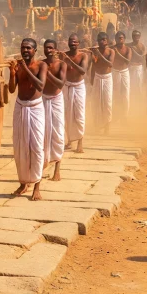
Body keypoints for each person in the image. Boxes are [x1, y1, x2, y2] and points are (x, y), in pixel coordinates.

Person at [9, 39, 48, 199]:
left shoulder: (41, 66)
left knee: (36, 147)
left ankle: (37, 186)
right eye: (23, 47)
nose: (25, 50)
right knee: (20, 147)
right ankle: (23, 182)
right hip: (20, 106)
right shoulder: (18, 67)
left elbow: (40, 86)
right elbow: (12, 89)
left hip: (35, 107)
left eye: (28, 48)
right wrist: (12, 73)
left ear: (35, 50)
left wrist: (25, 68)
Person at [40, 40, 66, 183]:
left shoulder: (61, 64)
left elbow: (60, 83)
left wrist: (47, 73)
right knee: (42, 132)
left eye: (50, 48)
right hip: (42, 99)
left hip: (56, 100)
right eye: (46, 48)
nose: (48, 50)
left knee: (57, 133)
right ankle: (43, 162)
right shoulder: (41, 63)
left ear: (55, 49)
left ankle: (57, 167)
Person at [58, 34, 89, 153]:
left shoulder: (83, 56)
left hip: (79, 87)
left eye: (75, 42)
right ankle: (69, 141)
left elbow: (83, 71)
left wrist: (69, 61)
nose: (72, 44)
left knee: (79, 115)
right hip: (67, 86)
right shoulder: (64, 55)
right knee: (67, 115)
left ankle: (80, 142)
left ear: (79, 43)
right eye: (71, 41)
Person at [89, 33, 115, 135]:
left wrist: (99, 55)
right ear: (98, 41)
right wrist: (92, 78)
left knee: (107, 102)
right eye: (100, 40)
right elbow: (93, 66)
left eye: (104, 39)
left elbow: (110, 64)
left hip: (107, 78)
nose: (102, 42)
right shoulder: (94, 52)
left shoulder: (111, 51)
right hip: (97, 77)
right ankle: (96, 125)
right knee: (96, 103)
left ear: (107, 41)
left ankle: (107, 125)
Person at [110, 31, 133, 121]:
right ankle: (116, 113)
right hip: (115, 71)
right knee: (115, 93)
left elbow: (127, 61)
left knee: (126, 93)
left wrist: (117, 53)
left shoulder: (128, 49)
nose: (120, 39)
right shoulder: (112, 49)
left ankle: (125, 115)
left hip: (124, 72)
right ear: (115, 39)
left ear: (124, 39)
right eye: (118, 38)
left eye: (121, 38)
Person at [128, 30, 147, 108]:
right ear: (132, 37)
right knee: (131, 85)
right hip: (131, 67)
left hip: (139, 67)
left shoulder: (141, 46)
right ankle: (132, 101)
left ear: (140, 37)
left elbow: (142, 57)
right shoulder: (129, 45)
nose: (136, 38)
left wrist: (145, 70)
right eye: (134, 36)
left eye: (137, 36)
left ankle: (139, 101)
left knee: (139, 85)